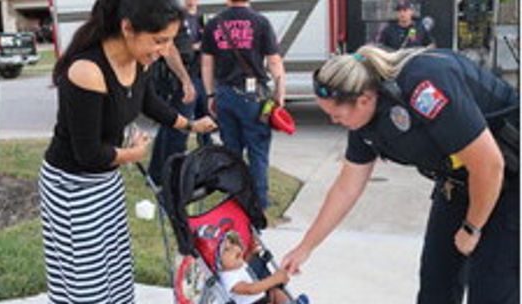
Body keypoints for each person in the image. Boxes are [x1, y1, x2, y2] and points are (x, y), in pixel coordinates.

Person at [281, 45, 519, 304]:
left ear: (364, 99)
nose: (333, 121)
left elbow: (489, 166)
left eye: (335, 115)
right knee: (435, 285)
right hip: (458, 181)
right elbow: (346, 187)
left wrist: (471, 228)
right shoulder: (363, 122)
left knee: (491, 289)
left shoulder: (425, 87)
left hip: (508, 179)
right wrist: (305, 248)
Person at [41, 0, 216, 302]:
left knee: (117, 270)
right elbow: (89, 154)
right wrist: (132, 155)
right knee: (87, 281)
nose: (164, 49)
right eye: (159, 40)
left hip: (106, 180)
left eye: (170, 40)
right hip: (72, 187)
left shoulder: (138, 59)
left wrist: (190, 125)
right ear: (127, 28)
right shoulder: (87, 70)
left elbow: (148, 102)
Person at [202, 0, 286, 209]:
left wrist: (211, 95)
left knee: (231, 152)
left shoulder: (214, 23)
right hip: (253, 96)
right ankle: (258, 204)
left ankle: (236, 201)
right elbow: (274, 62)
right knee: (257, 151)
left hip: (225, 94)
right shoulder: (260, 22)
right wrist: (279, 93)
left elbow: (206, 63)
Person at [147, 21, 197, 186]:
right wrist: (185, 80)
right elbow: (169, 49)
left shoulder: (191, 16)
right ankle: (171, 175)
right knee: (176, 130)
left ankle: (156, 174)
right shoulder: (167, 13)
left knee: (167, 126)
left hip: (182, 74)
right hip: (171, 79)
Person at [218, 231, 290, 304]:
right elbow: (250, 289)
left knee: (276, 292)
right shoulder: (228, 277)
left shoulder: (238, 265)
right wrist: (274, 279)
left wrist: (251, 253)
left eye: (234, 244)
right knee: (274, 290)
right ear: (219, 262)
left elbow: (245, 264)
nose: (234, 249)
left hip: (263, 299)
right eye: (226, 249)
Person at [185, 0, 213, 147]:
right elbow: (177, 46)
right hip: (187, 74)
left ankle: (206, 148)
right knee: (185, 116)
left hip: (202, 74)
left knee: (205, 114)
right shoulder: (180, 19)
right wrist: (196, 46)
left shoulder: (203, 18)